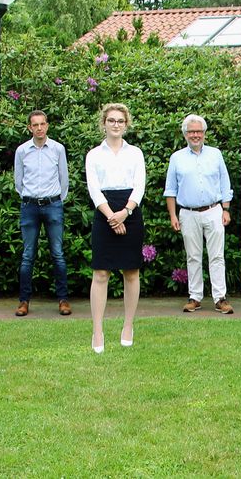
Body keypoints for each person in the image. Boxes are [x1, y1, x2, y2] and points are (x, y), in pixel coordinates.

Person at [84, 103, 146, 354]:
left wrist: (125, 213)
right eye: (112, 120)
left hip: (129, 211)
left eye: (120, 121)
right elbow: (93, 188)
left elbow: (139, 186)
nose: (116, 125)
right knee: (101, 273)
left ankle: (128, 326)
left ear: (126, 124)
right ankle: (97, 331)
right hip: (104, 212)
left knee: (131, 272)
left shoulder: (136, 153)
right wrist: (111, 216)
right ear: (104, 123)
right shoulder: (93, 154)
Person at [164, 114, 234, 315]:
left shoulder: (216, 154)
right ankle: (195, 297)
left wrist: (226, 209)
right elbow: (170, 190)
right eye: (191, 131)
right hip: (188, 213)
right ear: (185, 134)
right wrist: (173, 216)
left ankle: (220, 298)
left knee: (217, 256)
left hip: (214, 211)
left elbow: (224, 183)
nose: (195, 135)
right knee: (193, 256)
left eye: (199, 131)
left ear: (204, 133)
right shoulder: (176, 158)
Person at [13, 110, 70, 317]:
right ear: (29, 127)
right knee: (28, 255)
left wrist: (56, 200)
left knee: (58, 254)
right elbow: (18, 182)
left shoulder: (57, 149)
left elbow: (64, 179)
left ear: (47, 125)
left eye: (42, 124)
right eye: (35, 125)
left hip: (53, 204)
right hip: (29, 207)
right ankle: (24, 301)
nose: (39, 128)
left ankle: (63, 300)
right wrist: (30, 197)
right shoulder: (22, 151)